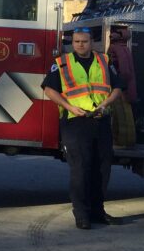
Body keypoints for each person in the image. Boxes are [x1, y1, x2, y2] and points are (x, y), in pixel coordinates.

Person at [42, 28, 125, 230]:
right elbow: (49, 89)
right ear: (73, 43)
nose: (80, 45)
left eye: (84, 41)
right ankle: (81, 215)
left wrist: (106, 104)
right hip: (75, 122)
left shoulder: (104, 61)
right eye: (77, 41)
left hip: (101, 119)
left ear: (92, 42)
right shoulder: (62, 63)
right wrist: (69, 107)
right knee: (80, 169)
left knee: (102, 169)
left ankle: (98, 212)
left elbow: (117, 87)